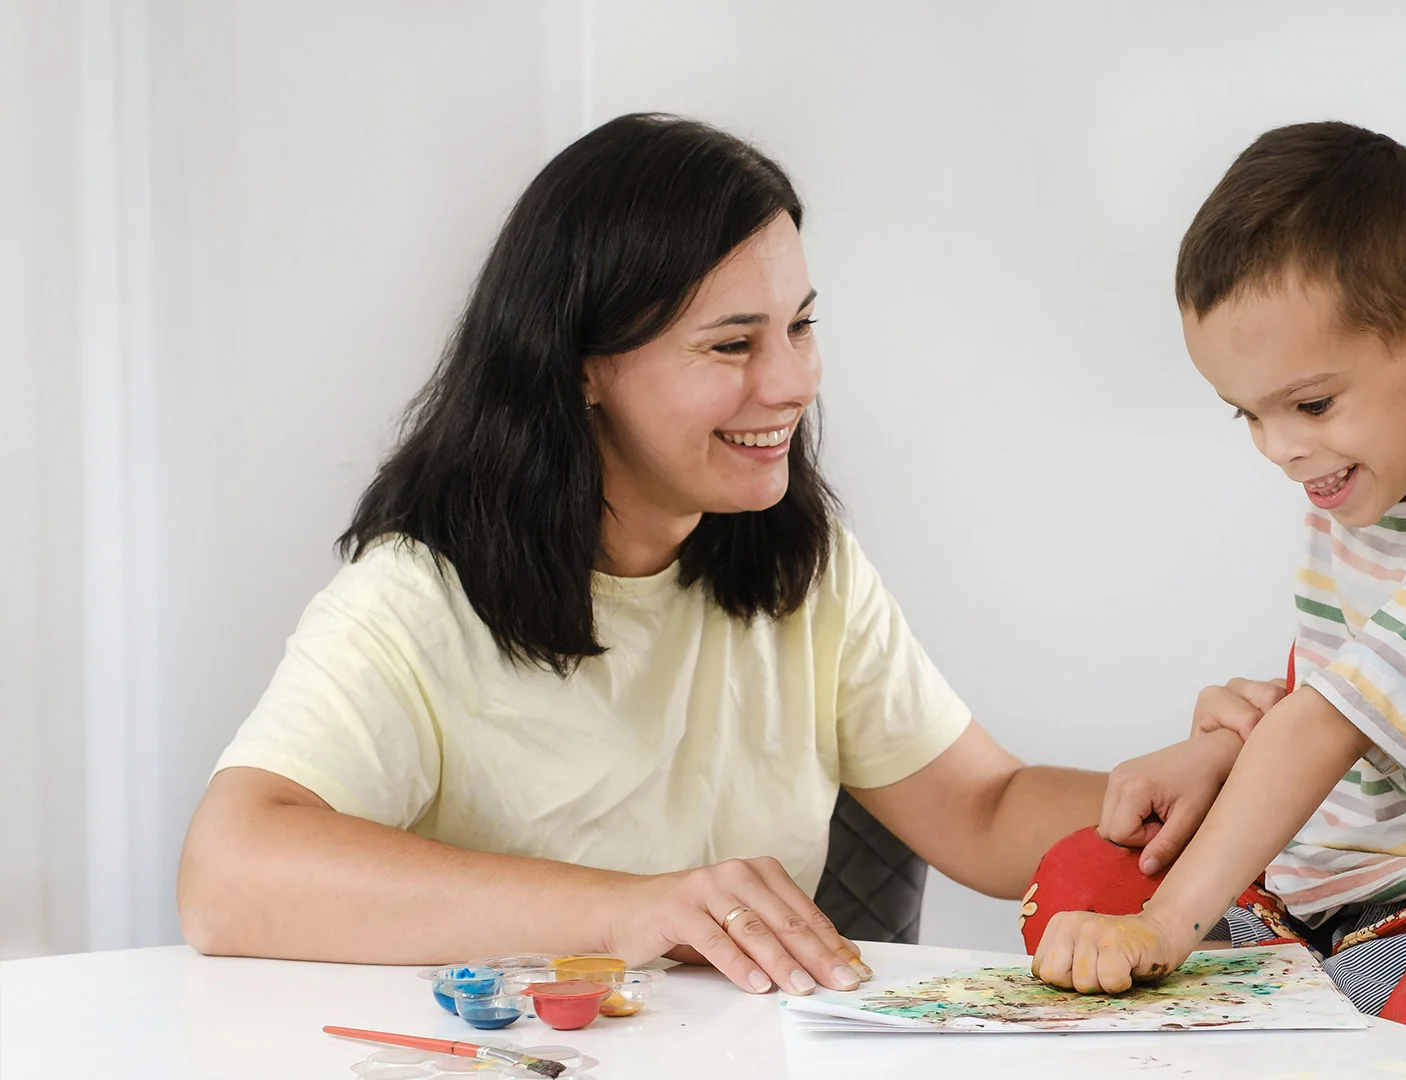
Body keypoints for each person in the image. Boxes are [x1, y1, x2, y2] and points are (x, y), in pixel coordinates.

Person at [176, 114, 1134, 999]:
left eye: (800, 326)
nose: (793, 382)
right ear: (585, 364)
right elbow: (227, 876)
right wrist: (631, 909)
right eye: (731, 345)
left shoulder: (808, 565)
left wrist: (1194, 794)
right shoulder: (417, 597)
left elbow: (986, 808)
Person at [1032, 122, 1406, 1013]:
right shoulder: (1367, 486)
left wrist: (1168, 926)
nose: (1280, 448)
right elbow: (1327, 707)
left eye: (1311, 403)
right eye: (1245, 414)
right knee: (1083, 918)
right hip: (1321, 897)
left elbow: (1328, 727)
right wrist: (1232, 743)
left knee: (1280, 1020)